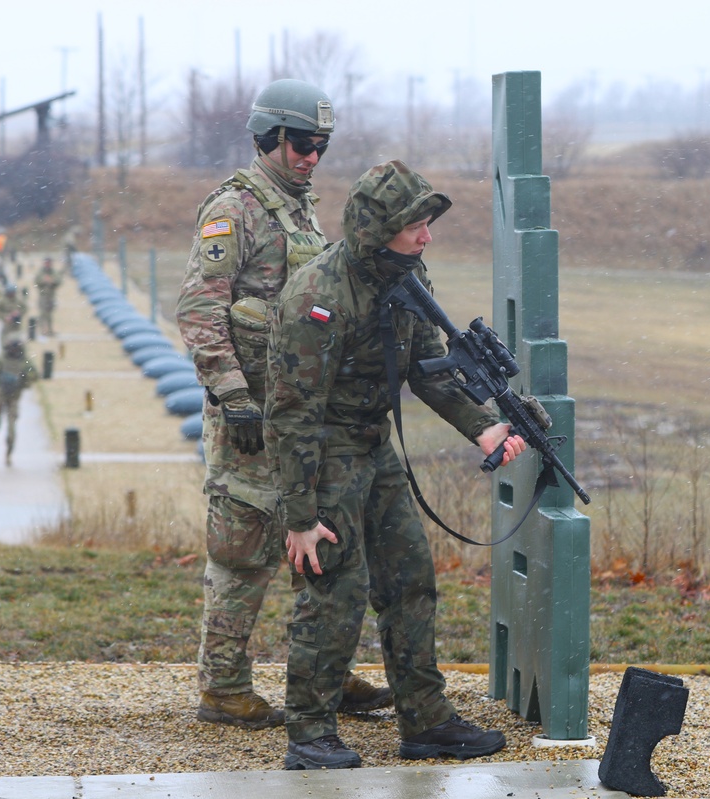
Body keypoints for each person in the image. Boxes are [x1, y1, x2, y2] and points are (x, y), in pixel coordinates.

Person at [265, 160, 527, 770]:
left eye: (428, 223)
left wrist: (483, 427)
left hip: (373, 447)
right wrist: (300, 516)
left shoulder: (406, 277)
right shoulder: (318, 296)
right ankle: (309, 733)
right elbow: (292, 414)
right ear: (377, 228)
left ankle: (425, 720)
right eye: (416, 224)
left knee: (410, 578)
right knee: (335, 590)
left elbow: (427, 369)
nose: (426, 235)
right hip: (324, 452)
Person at [175, 78, 389, 731]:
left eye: (321, 145)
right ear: (268, 137)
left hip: (302, 414)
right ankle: (224, 688)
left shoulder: (300, 210)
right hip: (250, 416)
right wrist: (235, 397)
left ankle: (322, 669)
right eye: (300, 143)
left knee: (321, 537)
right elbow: (200, 310)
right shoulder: (235, 210)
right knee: (243, 547)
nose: (311, 156)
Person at [0, 337, 40, 467]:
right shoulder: (10, 358)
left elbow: (34, 375)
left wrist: (23, 380)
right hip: (1, 397)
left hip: (10, 398)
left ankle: (6, 455)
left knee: (6, 426)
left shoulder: (21, 361)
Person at [34, 257, 64, 336]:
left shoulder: (54, 272)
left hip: (51, 296)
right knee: (42, 313)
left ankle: (50, 330)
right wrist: (44, 280)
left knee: (50, 314)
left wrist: (52, 280)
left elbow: (59, 280)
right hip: (43, 296)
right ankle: (42, 330)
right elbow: (37, 281)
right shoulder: (41, 272)